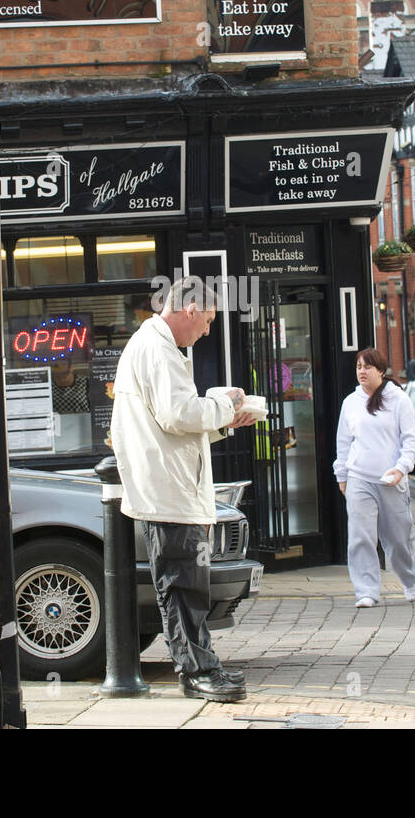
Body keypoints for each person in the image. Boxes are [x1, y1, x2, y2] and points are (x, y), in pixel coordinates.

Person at [110, 276, 257, 702]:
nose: (208, 330)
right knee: (183, 586)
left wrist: (223, 420)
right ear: (190, 309)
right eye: (208, 320)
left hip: (170, 488)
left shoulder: (155, 346)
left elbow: (172, 425)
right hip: (169, 493)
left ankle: (201, 667)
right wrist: (225, 405)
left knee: (186, 585)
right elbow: (178, 414)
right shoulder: (157, 349)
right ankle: (197, 674)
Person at [334, 348, 415, 607]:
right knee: (361, 536)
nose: (362, 371)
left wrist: (401, 468)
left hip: (391, 480)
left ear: (381, 371)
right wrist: (342, 474)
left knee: (398, 539)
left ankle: (409, 578)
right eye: (359, 366)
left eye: (367, 367)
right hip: (359, 478)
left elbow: (411, 439)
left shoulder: (398, 399)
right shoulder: (350, 402)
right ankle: (366, 591)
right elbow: (343, 442)